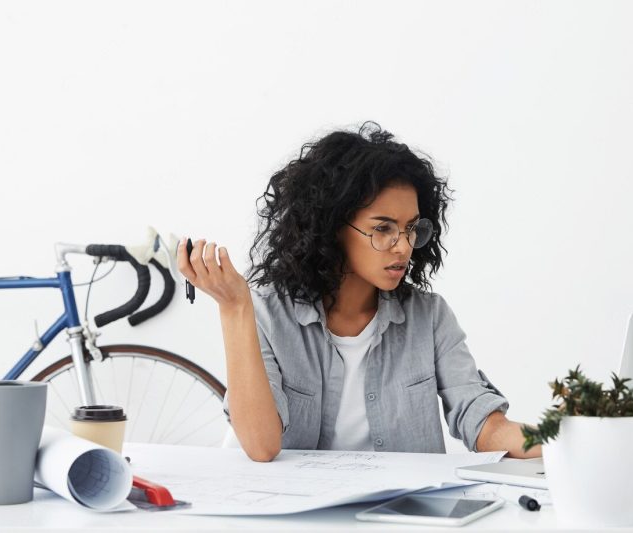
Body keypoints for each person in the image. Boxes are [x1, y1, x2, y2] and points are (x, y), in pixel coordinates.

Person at [178, 121, 542, 462]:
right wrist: (234, 307)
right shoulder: (268, 314)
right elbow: (261, 445)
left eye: (412, 228)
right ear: (333, 227)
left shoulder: (429, 317)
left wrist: (563, 440)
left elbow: (483, 424)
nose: (403, 246)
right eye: (383, 228)